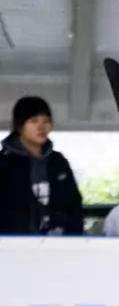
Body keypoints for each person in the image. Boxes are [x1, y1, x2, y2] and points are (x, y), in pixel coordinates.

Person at [0, 95, 83, 235]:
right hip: (11, 246)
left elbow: (74, 205)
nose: (41, 127)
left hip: (57, 245)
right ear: (20, 126)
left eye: (46, 121)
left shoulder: (58, 162)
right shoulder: (4, 163)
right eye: (34, 121)